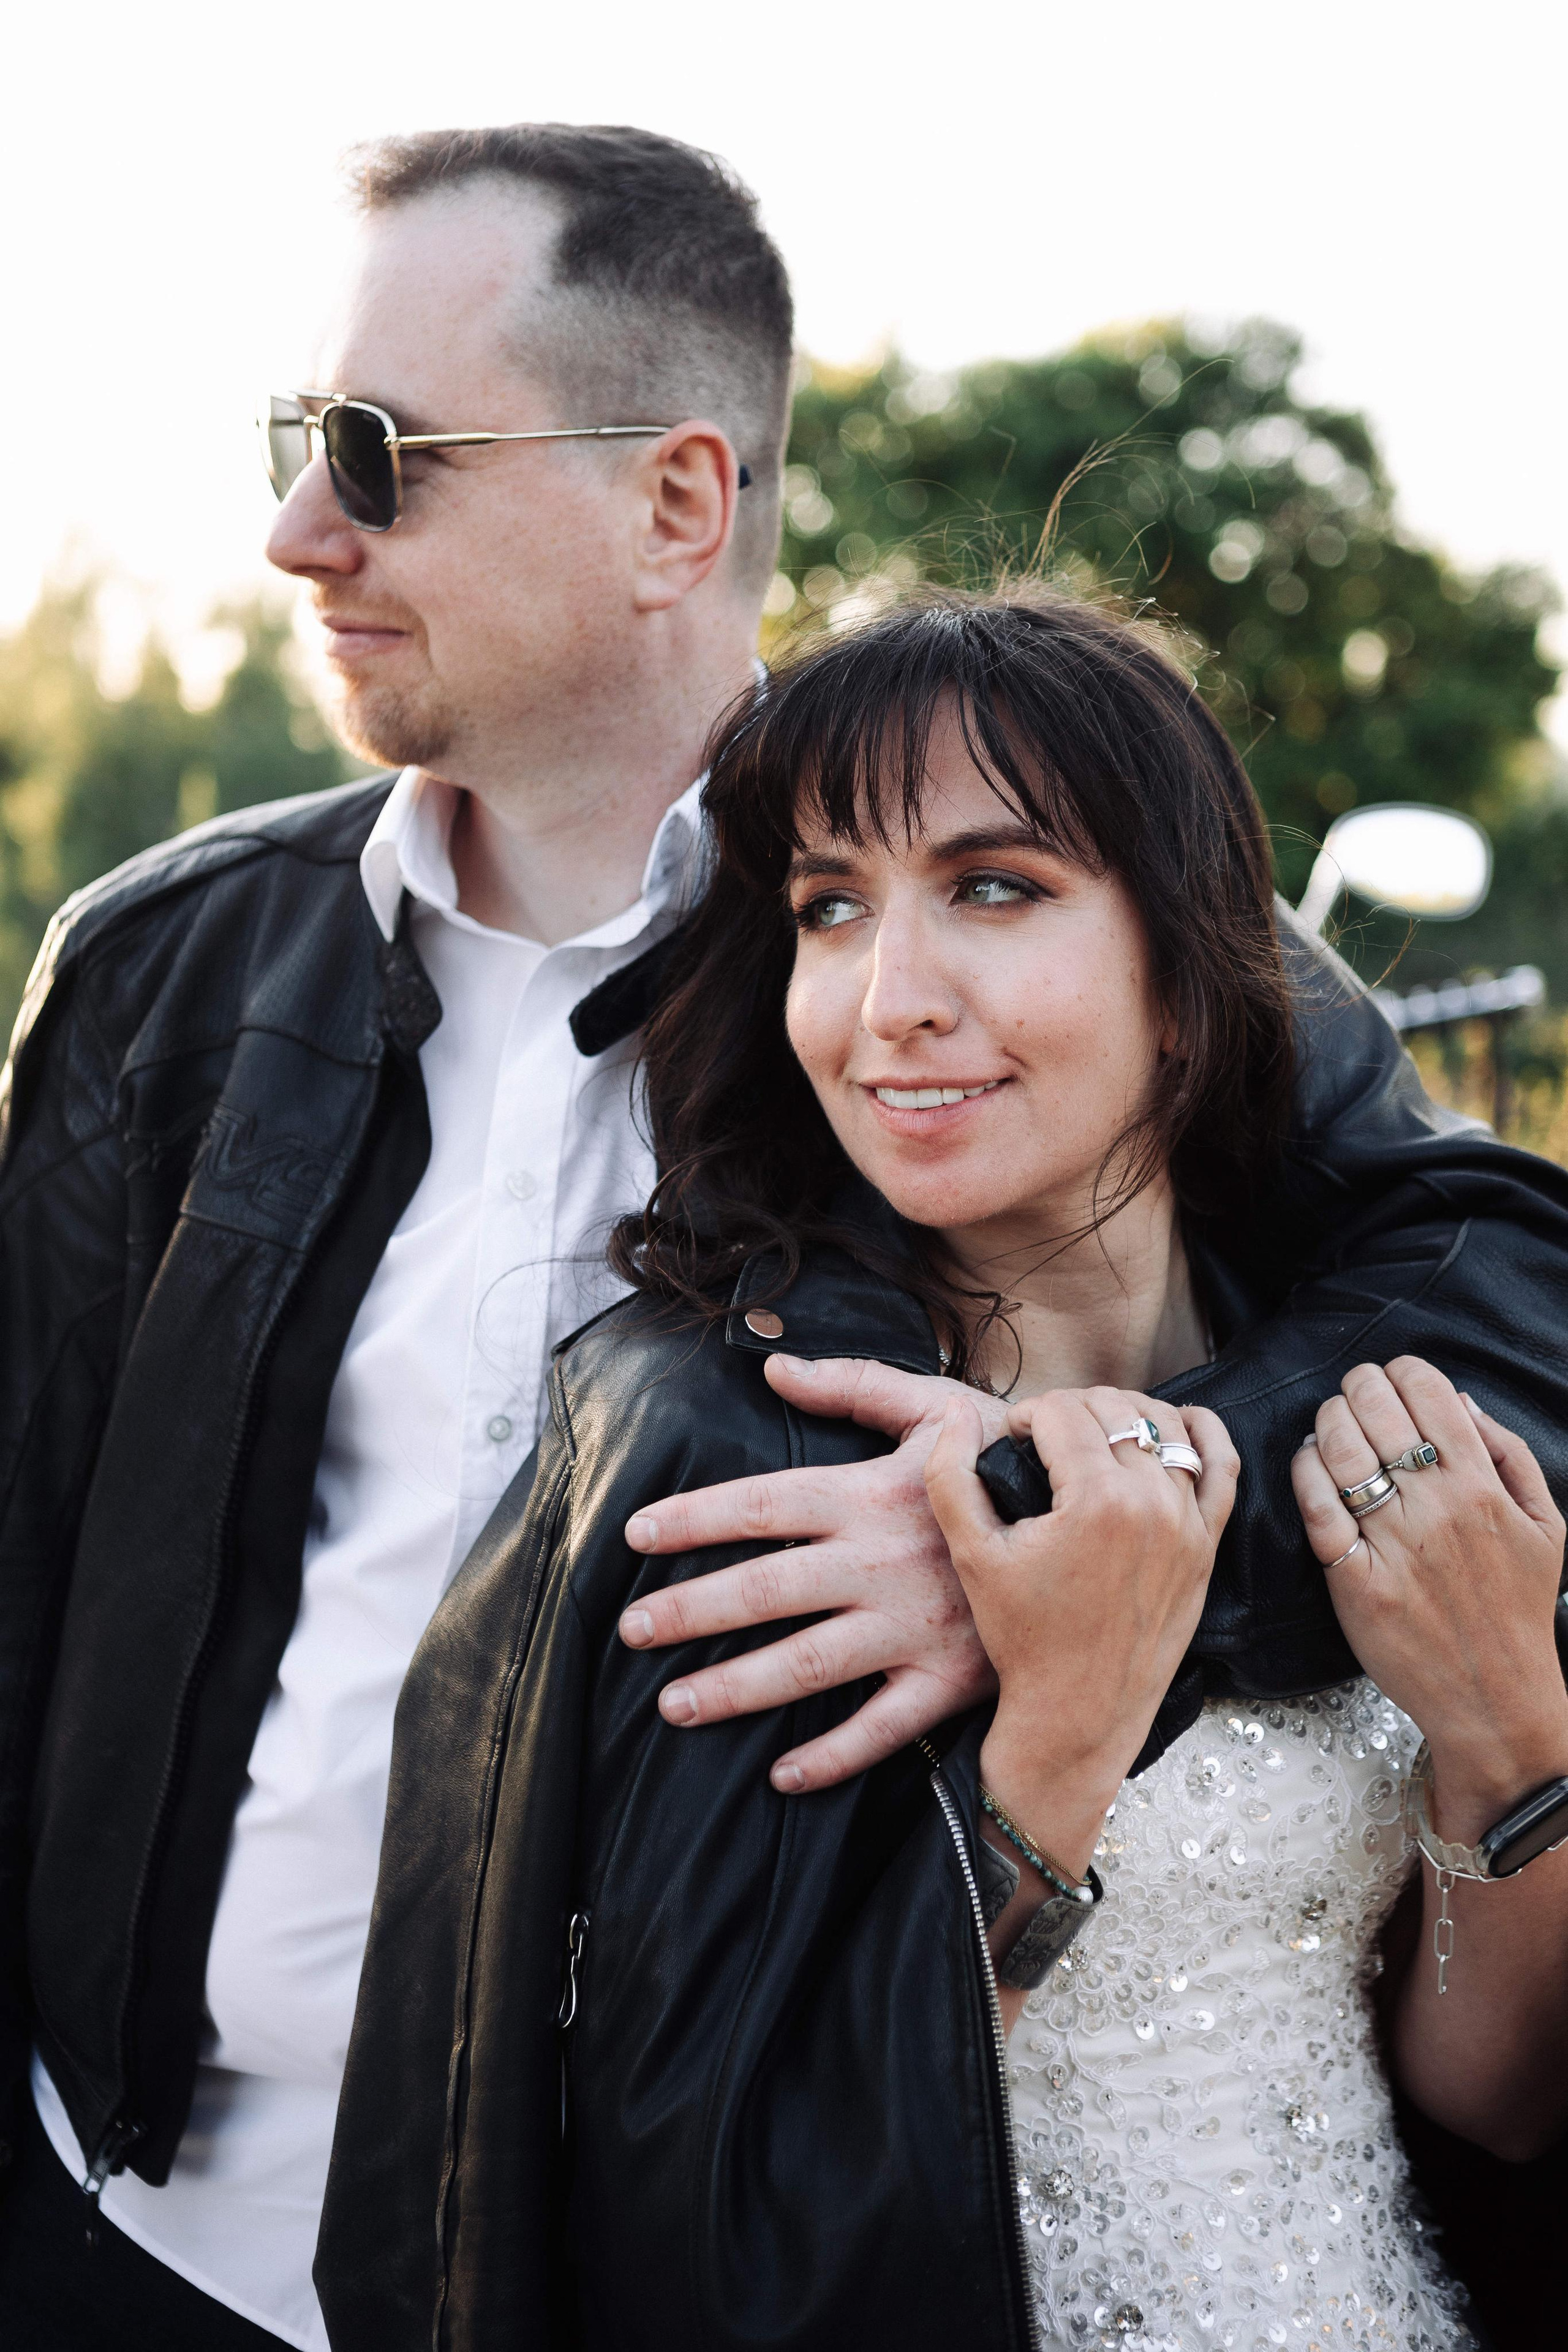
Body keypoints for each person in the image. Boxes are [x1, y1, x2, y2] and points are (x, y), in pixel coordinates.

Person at [0, 119, 1561, 2352]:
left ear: (679, 501)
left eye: (377, 448)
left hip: (676, 2253)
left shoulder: (1018, 945)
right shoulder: (154, 972)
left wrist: (1086, 1522)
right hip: (139, 2231)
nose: (295, 528)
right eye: (296, 441)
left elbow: (1504, 1281)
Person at [318, 590, 1568, 2351]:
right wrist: (1054, 1747)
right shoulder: (748, 1463)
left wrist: (1513, 1740)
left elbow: (1495, 2104)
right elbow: (710, 2215)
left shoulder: (1372, 1405)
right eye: (832, 909)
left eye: (995, 887)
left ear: (1194, 976)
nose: (890, 1002)